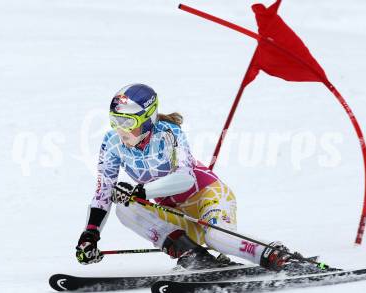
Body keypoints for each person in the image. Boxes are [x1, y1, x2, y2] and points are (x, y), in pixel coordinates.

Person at [75, 83, 293, 270]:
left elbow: (185, 179)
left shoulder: (169, 133)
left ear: (148, 118)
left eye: (127, 122)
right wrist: (90, 235)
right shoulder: (112, 143)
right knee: (125, 207)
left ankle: (276, 256)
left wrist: (140, 191)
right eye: (115, 121)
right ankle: (191, 254)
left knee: (216, 238)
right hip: (174, 213)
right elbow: (104, 191)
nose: (120, 130)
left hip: (208, 197)